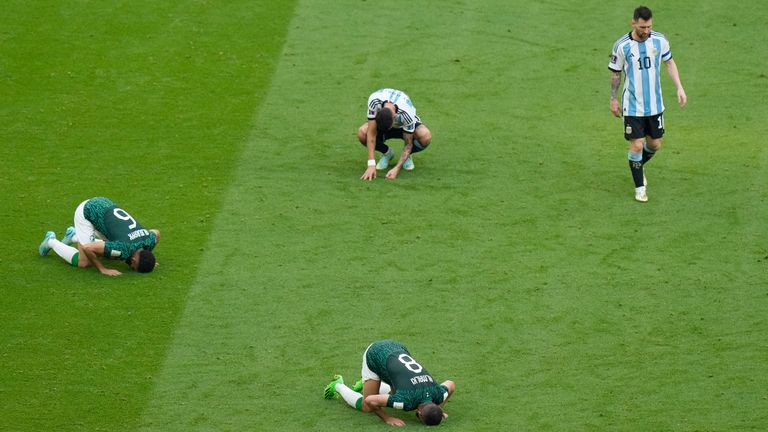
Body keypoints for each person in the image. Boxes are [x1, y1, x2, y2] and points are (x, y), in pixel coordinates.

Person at [608, 5, 687, 202]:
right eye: (642, 27)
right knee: (636, 145)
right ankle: (639, 188)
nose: (646, 31)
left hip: (655, 105)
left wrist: (679, 87)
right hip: (632, 105)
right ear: (633, 23)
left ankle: (638, 166)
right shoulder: (621, 46)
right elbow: (616, 74)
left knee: (655, 144)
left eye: (649, 27)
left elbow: (669, 62)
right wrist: (612, 99)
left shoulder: (660, 40)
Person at [323, 339, 455, 426]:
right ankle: (338, 385)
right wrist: (387, 418)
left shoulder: (438, 393)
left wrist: (439, 408)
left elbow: (451, 384)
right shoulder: (406, 401)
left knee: (394, 392)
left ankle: (368, 383)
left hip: (397, 347)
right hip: (375, 354)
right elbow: (370, 400)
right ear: (419, 414)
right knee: (366, 406)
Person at [38, 197, 160, 276]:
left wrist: (148, 259)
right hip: (87, 212)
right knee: (84, 262)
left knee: (111, 254)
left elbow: (156, 232)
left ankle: (74, 236)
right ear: (133, 260)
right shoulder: (123, 248)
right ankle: (51, 241)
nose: (131, 267)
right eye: (133, 267)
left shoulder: (149, 240)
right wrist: (103, 269)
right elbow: (88, 249)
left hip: (105, 204)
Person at [357, 88, 432, 181]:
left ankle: (407, 156)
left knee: (425, 136)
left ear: (395, 117)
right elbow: (371, 133)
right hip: (384, 123)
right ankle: (387, 153)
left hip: (405, 126)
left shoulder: (406, 113)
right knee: (362, 133)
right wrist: (371, 164)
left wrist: (397, 168)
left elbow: (408, 145)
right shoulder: (374, 101)